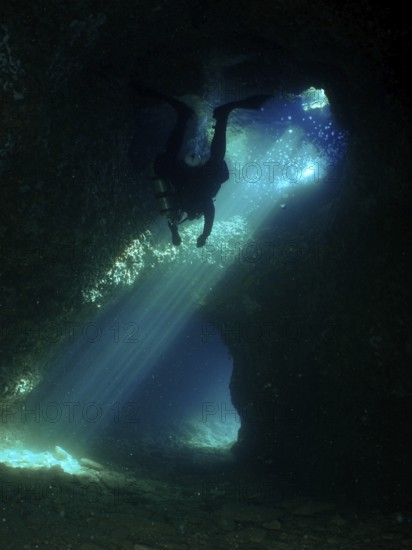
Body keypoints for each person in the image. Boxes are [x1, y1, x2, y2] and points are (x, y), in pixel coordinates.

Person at [133, 86, 271, 247]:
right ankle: (209, 116)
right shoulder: (197, 204)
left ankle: (209, 116)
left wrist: (184, 234)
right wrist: (200, 236)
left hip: (189, 176)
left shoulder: (191, 205)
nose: (192, 217)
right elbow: (206, 218)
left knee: (208, 163)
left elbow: (181, 219)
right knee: (204, 164)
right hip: (192, 177)